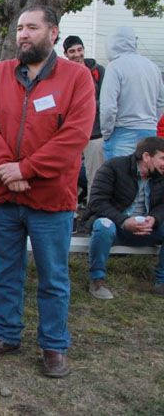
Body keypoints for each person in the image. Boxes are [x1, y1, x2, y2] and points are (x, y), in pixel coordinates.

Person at [0, 5, 95, 378]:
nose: (23, 34)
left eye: (32, 28)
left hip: (50, 201)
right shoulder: (1, 74)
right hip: (7, 198)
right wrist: (6, 172)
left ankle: (53, 346)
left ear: (53, 33)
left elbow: (74, 137)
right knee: (6, 273)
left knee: (53, 277)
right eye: (20, 28)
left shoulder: (77, 78)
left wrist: (25, 169)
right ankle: (7, 334)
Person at [84, 137, 164, 299]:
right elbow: (97, 202)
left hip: (146, 229)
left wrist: (154, 218)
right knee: (103, 225)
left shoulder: (160, 175)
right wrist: (123, 221)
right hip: (115, 226)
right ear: (147, 156)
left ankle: (161, 281)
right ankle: (97, 280)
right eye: (163, 158)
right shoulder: (114, 167)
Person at [100, 27, 164, 160]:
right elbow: (161, 102)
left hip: (122, 132)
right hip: (149, 131)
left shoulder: (115, 67)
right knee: (145, 177)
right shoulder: (152, 67)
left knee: (121, 177)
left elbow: (108, 107)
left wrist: (106, 133)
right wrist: (151, 121)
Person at [63, 35, 104, 196]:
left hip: (94, 132)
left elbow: (106, 100)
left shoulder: (97, 71)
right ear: (65, 53)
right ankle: (69, 210)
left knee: (95, 175)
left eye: (80, 50)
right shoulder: (60, 73)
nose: (77, 54)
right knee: (66, 175)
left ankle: (92, 211)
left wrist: (86, 107)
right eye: (72, 51)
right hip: (69, 132)